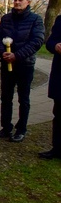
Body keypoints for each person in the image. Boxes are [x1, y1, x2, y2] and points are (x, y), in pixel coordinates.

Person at [0, 0, 44, 143]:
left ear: (28, 2)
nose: (16, 2)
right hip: (6, 63)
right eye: (15, 0)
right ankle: (6, 127)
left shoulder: (35, 20)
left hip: (25, 65)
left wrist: (17, 55)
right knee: (6, 97)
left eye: (20, 0)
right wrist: (3, 53)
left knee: (23, 98)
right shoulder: (6, 18)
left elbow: (37, 41)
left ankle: (21, 129)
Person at [40, 13, 61, 159]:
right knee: (59, 114)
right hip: (60, 76)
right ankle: (57, 148)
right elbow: (50, 42)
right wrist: (55, 45)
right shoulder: (60, 20)